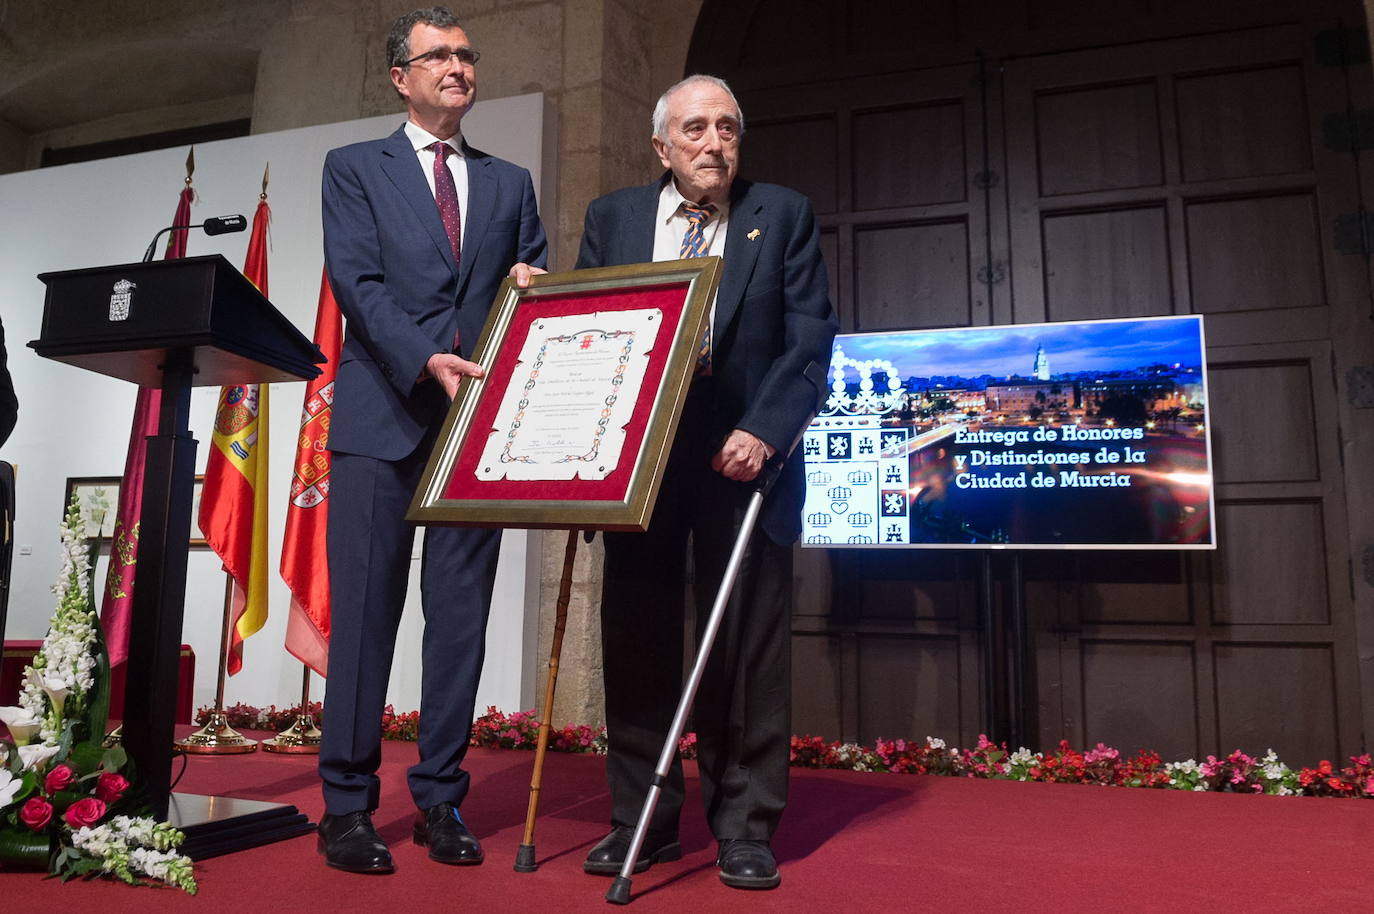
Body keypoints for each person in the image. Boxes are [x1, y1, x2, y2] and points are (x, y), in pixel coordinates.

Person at [575, 74, 836, 891]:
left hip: (740, 461)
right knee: (637, 638)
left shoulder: (781, 213)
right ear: (662, 146)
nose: (713, 143)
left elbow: (810, 340)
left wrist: (764, 428)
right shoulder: (613, 218)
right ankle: (641, 823)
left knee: (745, 648)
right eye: (695, 129)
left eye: (727, 127)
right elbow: (585, 329)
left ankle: (745, 825)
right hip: (636, 467)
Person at [317, 6, 547, 874]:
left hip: (474, 431)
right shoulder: (353, 169)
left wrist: (533, 287)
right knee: (368, 622)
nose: (457, 67)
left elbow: (528, 275)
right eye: (438, 56)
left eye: (466, 54)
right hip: (382, 420)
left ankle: (441, 801)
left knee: (459, 624)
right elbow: (357, 283)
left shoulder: (509, 182)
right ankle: (345, 809)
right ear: (399, 77)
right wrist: (426, 359)